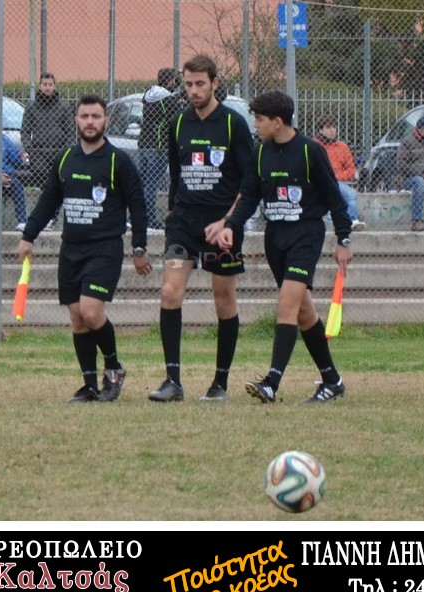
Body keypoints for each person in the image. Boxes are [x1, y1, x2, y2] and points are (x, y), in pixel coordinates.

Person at [216, 90, 353, 404]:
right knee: (304, 314)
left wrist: (343, 239)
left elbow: (335, 198)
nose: (256, 125)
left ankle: (272, 383)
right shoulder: (260, 153)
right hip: (275, 238)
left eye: (260, 119)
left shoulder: (310, 151)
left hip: (305, 235)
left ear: (278, 122)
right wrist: (231, 225)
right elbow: (249, 195)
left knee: (287, 306)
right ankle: (332, 380)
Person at [18, 94, 151, 403]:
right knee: (78, 318)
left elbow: (138, 205)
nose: (90, 122)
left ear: (106, 121)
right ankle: (90, 385)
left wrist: (139, 246)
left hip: (104, 248)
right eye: (85, 117)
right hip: (71, 249)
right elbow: (48, 201)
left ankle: (114, 368)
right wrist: (28, 235)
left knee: (91, 311)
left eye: (96, 117)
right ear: (76, 120)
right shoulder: (66, 158)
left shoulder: (118, 161)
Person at [147, 54, 254, 403]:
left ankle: (219, 383)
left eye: (199, 84)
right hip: (183, 227)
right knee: (169, 293)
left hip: (221, 229)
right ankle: (172, 381)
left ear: (214, 83)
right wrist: (172, 215)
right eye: (188, 84)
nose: (193, 91)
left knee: (223, 299)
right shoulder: (178, 123)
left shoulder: (234, 124)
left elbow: (250, 183)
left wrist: (229, 222)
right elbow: (176, 175)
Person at [138, 67, 185, 229]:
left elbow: (173, 94)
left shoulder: (149, 94)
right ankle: (149, 218)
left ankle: (137, 216)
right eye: (174, 80)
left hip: (144, 144)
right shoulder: (168, 100)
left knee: (143, 183)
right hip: (158, 146)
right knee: (152, 184)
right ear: (170, 81)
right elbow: (177, 113)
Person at [21, 72, 76, 189]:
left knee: (60, 178)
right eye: (45, 84)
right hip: (38, 152)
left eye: (50, 84)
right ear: (39, 86)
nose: (47, 87)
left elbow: (70, 132)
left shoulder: (64, 106)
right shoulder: (31, 106)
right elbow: (25, 131)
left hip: (59, 149)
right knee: (42, 179)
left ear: (54, 86)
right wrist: (30, 149)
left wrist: (66, 150)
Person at [313, 115, 366, 231]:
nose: (332, 130)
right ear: (320, 130)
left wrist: (335, 177)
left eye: (334, 127)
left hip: (338, 182)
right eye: (328, 127)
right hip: (318, 182)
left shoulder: (342, 147)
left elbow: (351, 169)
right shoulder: (313, 145)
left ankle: (353, 220)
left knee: (351, 194)